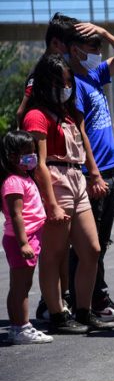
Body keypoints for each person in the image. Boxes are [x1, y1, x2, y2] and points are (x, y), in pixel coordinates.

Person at [22, 54, 113, 334]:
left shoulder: (69, 113)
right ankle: (57, 314)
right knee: (54, 253)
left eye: (67, 83)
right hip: (55, 180)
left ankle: (84, 311)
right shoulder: (36, 116)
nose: (65, 88)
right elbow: (39, 163)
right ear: (45, 83)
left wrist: (93, 174)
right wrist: (51, 204)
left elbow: (83, 144)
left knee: (92, 249)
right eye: (59, 83)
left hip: (76, 178)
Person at [65, 19, 114, 323]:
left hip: (109, 170)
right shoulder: (74, 84)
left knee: (100, 243)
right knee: (88, 246)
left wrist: (105, 33)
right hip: (92, 174)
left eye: (99, 46)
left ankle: (94, 299)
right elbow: (80, 130)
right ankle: (88, 301)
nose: (98, 51)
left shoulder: (94, 74)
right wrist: (93, 173)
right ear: (74, 50)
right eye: (92, 46)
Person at [0, 131, 53, 344]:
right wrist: (23, 243)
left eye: (33, 152)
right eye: (28, 153)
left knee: (20, 285)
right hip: (22, 239)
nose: (33, 156)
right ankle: (22, 327)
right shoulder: (13, 182)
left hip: (29, 237)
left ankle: (16, 327)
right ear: (12, 156)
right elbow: (16, 215)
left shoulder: (23, 177)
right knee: (21, 287)